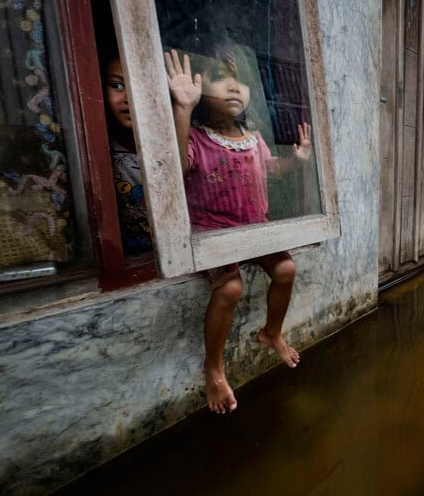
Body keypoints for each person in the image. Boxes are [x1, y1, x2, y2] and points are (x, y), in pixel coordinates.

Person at [164, 48, 311, 414]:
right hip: (212, 234)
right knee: (230, 287)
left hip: (253, 231)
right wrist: (181, 108)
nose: (234, 87)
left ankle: (271, 332)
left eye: (241, 80)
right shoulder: (197, 138)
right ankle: (214, 368)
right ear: (200, 88)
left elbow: (272, 169)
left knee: (286, 270)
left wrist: (296, 160)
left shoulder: (253, 138)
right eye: (221, 78)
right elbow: (176, 165)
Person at [104, 55, 153, 254]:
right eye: (117, 85)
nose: (130, 97)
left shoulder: (178, 142)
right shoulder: (100, 145)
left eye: (142, 85)